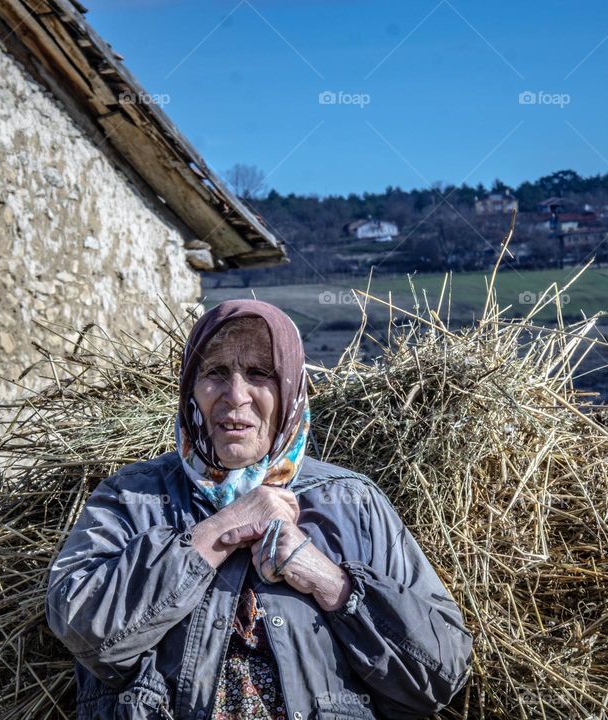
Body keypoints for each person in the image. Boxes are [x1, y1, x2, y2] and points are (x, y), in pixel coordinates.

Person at [45, 299, 473, 720]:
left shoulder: (351, 502)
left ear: (290, 388)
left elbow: (439, 674)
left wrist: (330, 581)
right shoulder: (131, 498)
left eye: (259, 374)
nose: (236, 396)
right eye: (214, 373)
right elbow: (83, 629)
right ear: (190, 388)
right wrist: (220, 530)